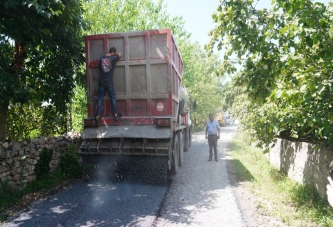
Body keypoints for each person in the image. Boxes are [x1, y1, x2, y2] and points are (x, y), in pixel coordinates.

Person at [96, 47, 122, 122]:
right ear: (113, 52)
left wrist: (104, 55)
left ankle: (98, 114)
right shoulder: (113, 59)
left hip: (101, 81)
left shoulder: (101, 58)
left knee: (100, 98)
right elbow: (120, 54)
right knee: (113, 98)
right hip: (109, 82)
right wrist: (115, 55)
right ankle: (116, 114)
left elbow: (99, 68)